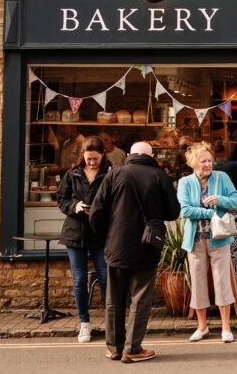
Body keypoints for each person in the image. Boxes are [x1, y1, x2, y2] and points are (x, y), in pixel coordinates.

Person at [89, 142, 180, 363]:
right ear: (151, 156)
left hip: (116, 245)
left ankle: (114, 348)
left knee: (114, 299)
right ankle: (133, 348)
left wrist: (108, 235)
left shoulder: (114, 175)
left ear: (129, 155)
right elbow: (173, 213)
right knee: (140, 299)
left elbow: (95, 213)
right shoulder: (160, 176)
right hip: (147, 246)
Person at [178, 142, 237, 343]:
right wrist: (209, 212)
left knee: (222, 282)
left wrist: (220, 200)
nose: (207, 164)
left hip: (219, 238)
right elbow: (184, 210)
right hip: (195, 240)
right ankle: (202, 327)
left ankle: (225, 328)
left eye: (209, 160)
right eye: (203, 161)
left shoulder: (222, 178)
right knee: (198, 284)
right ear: (193, 163)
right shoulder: (185, 183)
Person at [56, 136, 110, 344]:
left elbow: (114, 201)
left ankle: (110, 322)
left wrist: (99, 211)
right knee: (79, 280)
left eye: (95, 159)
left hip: (99, 233)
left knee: (105, 277)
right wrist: (75, 206)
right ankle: (84, 324)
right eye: (89, 159)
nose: (92, 162)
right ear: (83, 156)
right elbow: (61, 200)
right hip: (75, 232)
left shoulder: (109, 174)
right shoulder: (72, 174)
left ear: (102, 155)